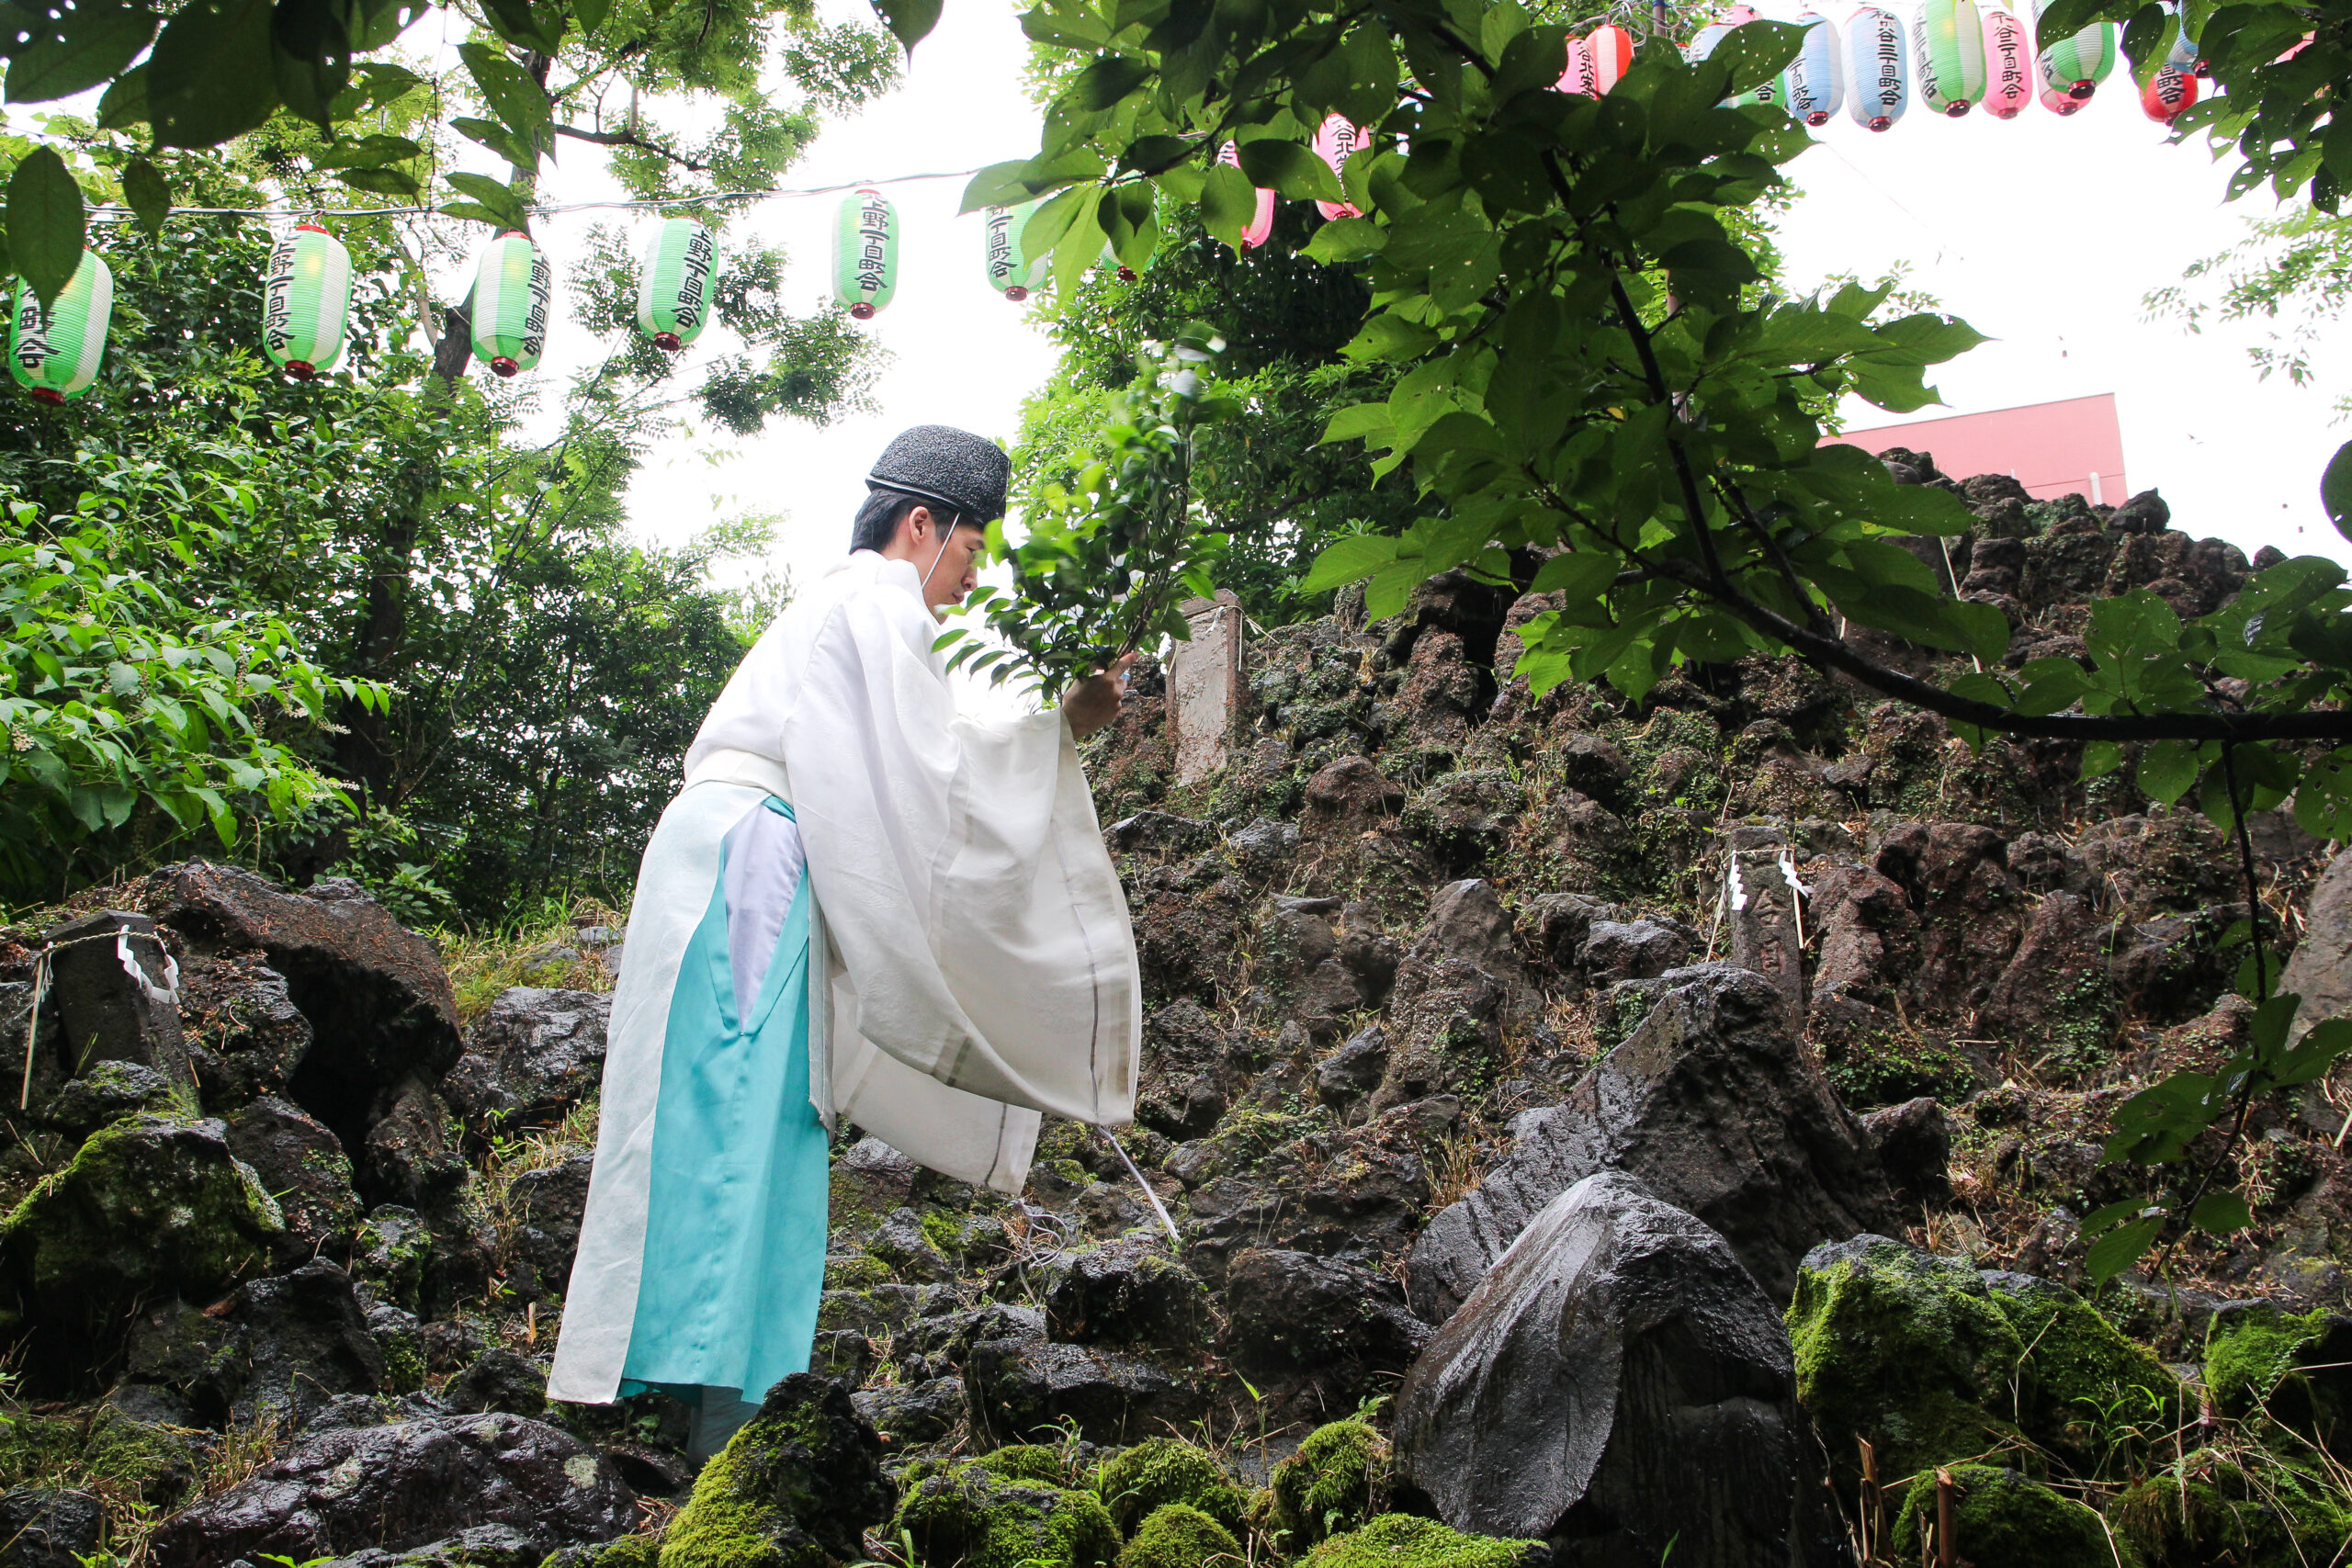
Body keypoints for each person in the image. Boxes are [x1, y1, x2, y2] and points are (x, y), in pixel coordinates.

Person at [546, 425, 1141, 1456]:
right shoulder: (875, 600)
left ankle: (703, 1399)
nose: (962, 584)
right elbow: (935, 784)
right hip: (754, 864)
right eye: (966, 554)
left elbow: (918, 762)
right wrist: (1061, 726)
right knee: (744, 1116)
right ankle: (722, 1420)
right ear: (922, 524)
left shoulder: (845, 604)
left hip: (735, 860)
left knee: (730, 1113)